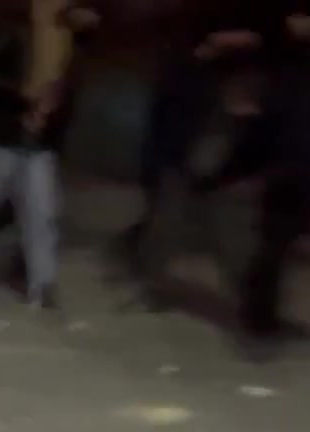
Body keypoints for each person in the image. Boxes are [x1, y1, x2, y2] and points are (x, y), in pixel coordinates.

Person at [195, 0, 310, 357]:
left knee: (278, 242)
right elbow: (272, 118)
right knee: (274, 243)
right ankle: (259, 318)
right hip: (291, 164)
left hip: (302, 162)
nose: (294, 25)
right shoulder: (296, 64)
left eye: (302, 18)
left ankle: (261, 314)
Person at [113, 5, 267, 312]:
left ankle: (251, 301)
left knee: (233, 237)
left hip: (223, 168)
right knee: (166, 228)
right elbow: (166, 116)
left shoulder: (244, 72)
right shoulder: (185, 69)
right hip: (182, 160)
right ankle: (152, 285)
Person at [0, 3, 101, 311]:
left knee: (42, 214)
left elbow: (66, 96)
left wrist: (52, 113)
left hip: (40, 145)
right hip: (3, 139)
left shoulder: (72, 51)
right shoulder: (19, 36)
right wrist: (22, 96)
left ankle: (42, 285)